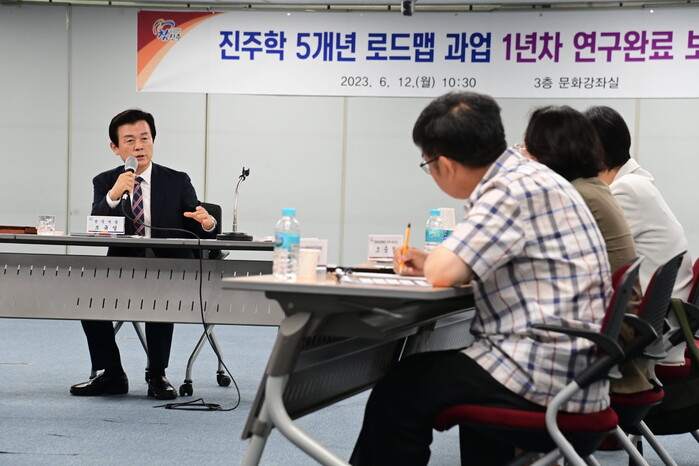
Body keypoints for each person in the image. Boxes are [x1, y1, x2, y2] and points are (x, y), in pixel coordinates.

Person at [350, 93, 612, 465]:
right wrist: (431, 262)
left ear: (444, 164)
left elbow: (444, 272)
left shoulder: (508, 189)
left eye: (427, 164)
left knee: (400, 391)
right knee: (445, 379)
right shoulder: (530, 176)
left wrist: (433, 264)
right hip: (574, 373)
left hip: (543, 375)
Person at [70, 109, 217, 400]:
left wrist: (207, 222)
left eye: (144, 138)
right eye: (129, 140)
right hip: (123, 269)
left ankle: (157, 374)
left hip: (171, 270)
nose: (139, 146)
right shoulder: (105, 181)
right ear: (115, 147)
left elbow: (199, 227)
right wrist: (113, 195)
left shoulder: (177, 180)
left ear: (153, 141)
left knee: (159, 293)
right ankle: (112, 374)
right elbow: (97, 227)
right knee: (87, 297)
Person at [521, 105, 651, 395]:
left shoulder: (575, 196)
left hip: (600, 342)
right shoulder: (591, 187)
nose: (523, 159)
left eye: (527, 150)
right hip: (613, 330)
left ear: (547, 154)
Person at [584, 105, 693, 366]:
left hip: (651, 337)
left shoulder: (626, 190)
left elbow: (587, 253)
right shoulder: (636, 182)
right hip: (660, 326)